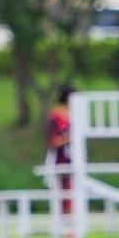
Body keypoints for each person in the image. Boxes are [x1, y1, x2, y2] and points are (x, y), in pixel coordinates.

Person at [45, 84, 75, 216]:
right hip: (60, 160)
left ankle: (71, 228)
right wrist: (70, 138)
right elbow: (53, 141)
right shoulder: (57, 116)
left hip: (73, 158)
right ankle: (65, 226)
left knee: (73, 195)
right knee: (62, 195)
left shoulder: (75, 115)